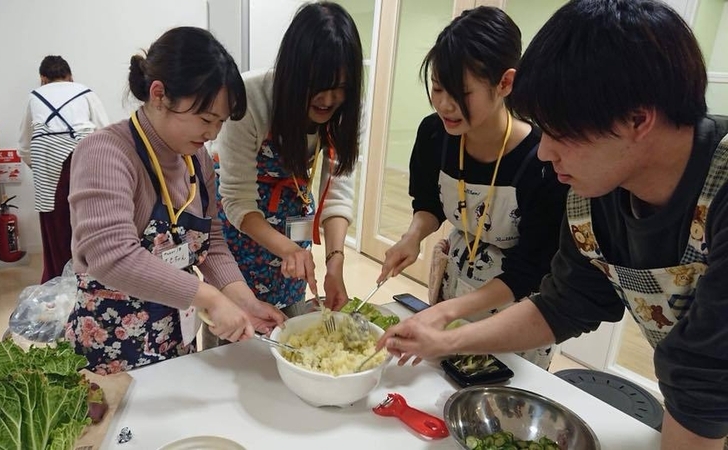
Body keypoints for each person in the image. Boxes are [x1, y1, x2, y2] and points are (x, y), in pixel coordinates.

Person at [378, 1, 728, 447]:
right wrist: (443, 340)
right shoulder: (592, 194)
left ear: (638, 119)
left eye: (560, 134)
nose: (544, 153)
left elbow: (702, 380)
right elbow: (562, 304)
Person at [65, 27, 286, 375]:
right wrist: (211, 298)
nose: (213, 133)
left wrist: (243, 299)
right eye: (205, 118)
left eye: (220, 122)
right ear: (159, 94)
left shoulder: (196, 160)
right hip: (113, 348)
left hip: (176, 337)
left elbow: (211, 242)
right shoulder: (105, 153)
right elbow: (112, 257)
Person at [377, 7, 568, 369]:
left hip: (516, 314)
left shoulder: (543, 160)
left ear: (505, 83)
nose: (445, 105)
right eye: (436, 88)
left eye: (461, 92)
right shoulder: (435, 134)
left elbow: (528, 270)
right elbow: (429, 203)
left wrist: (445, 313)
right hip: (456, 290)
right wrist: (413, 236)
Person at [212, 2, 363, 317]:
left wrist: (335, 262)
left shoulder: (346, 111)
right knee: (236, 330)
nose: (328, 100)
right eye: (316, 88)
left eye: (340, 89)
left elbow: (337, 191)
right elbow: (237, 199)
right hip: (244, 231)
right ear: (292, 75)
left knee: (291, 325)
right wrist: (286, 248)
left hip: (294, 227)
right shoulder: (251, 98)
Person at [18, 55, 109, 283]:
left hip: (46, 156)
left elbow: (24, 145)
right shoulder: (84, 91)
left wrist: (38, 168)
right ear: (70, 77)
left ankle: (58, 277)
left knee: (54, 221)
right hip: (83, 152)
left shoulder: (34, 96)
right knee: (90, 215)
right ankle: (93, 275)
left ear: (43, 79)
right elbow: (105, 131)